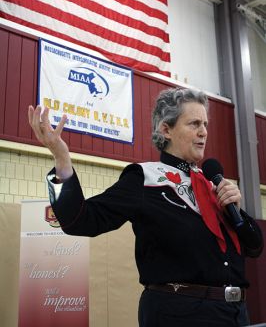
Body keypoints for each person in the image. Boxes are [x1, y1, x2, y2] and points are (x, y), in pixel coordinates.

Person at [28, 87, 263, 327]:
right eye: (193, 124)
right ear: (166, 129)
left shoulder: (212, 185)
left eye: (205, 124)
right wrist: (61, 158)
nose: (203, 132)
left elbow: (254, 248)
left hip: (235, 314)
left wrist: (234, 209)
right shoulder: (144, 178)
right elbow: (80, 220)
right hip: (179, 314)